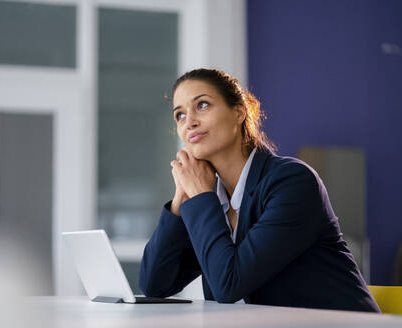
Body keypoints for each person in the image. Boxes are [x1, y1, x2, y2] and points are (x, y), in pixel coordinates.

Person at [138, 68, 380, 312]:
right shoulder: (211, 197)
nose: (189, 122)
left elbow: (228, 285)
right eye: (179, 115)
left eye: (202, 105)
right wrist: (181, 197)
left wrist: (200, 196)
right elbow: (155, 285)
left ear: (239, 112)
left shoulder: (292, 181)